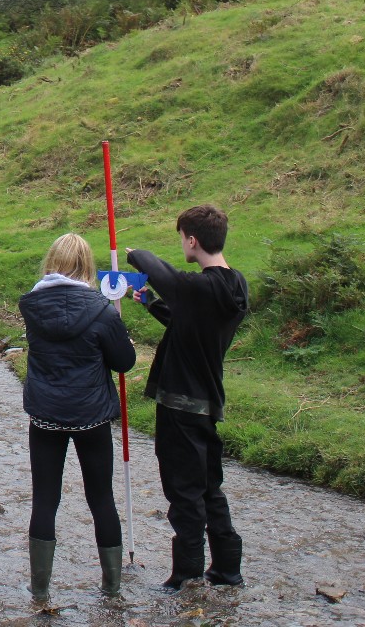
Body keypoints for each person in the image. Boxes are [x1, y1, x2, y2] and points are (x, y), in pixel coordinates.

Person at [125, 204, 249, 589]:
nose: (181, 245)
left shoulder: (199, 286)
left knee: (184, 491)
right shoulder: (236, 285)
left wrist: (135, 254)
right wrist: (149, 302)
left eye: (182, 238)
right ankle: (227, 569)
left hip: (180, 405)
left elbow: (165, 275)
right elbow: (188, 321)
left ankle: (186, 575)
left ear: (192, 240)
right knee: (209, 487)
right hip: (208, 403)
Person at [18, 233, 136, 603]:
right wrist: (120, 332)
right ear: (87, 266)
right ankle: (112, 589)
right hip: (91, 416)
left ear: (51, 262)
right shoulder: (102, 310)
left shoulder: (32, 306)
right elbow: (124, 362)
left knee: (45, 499)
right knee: (101, 499)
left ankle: (40, 591)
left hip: (45, 414)